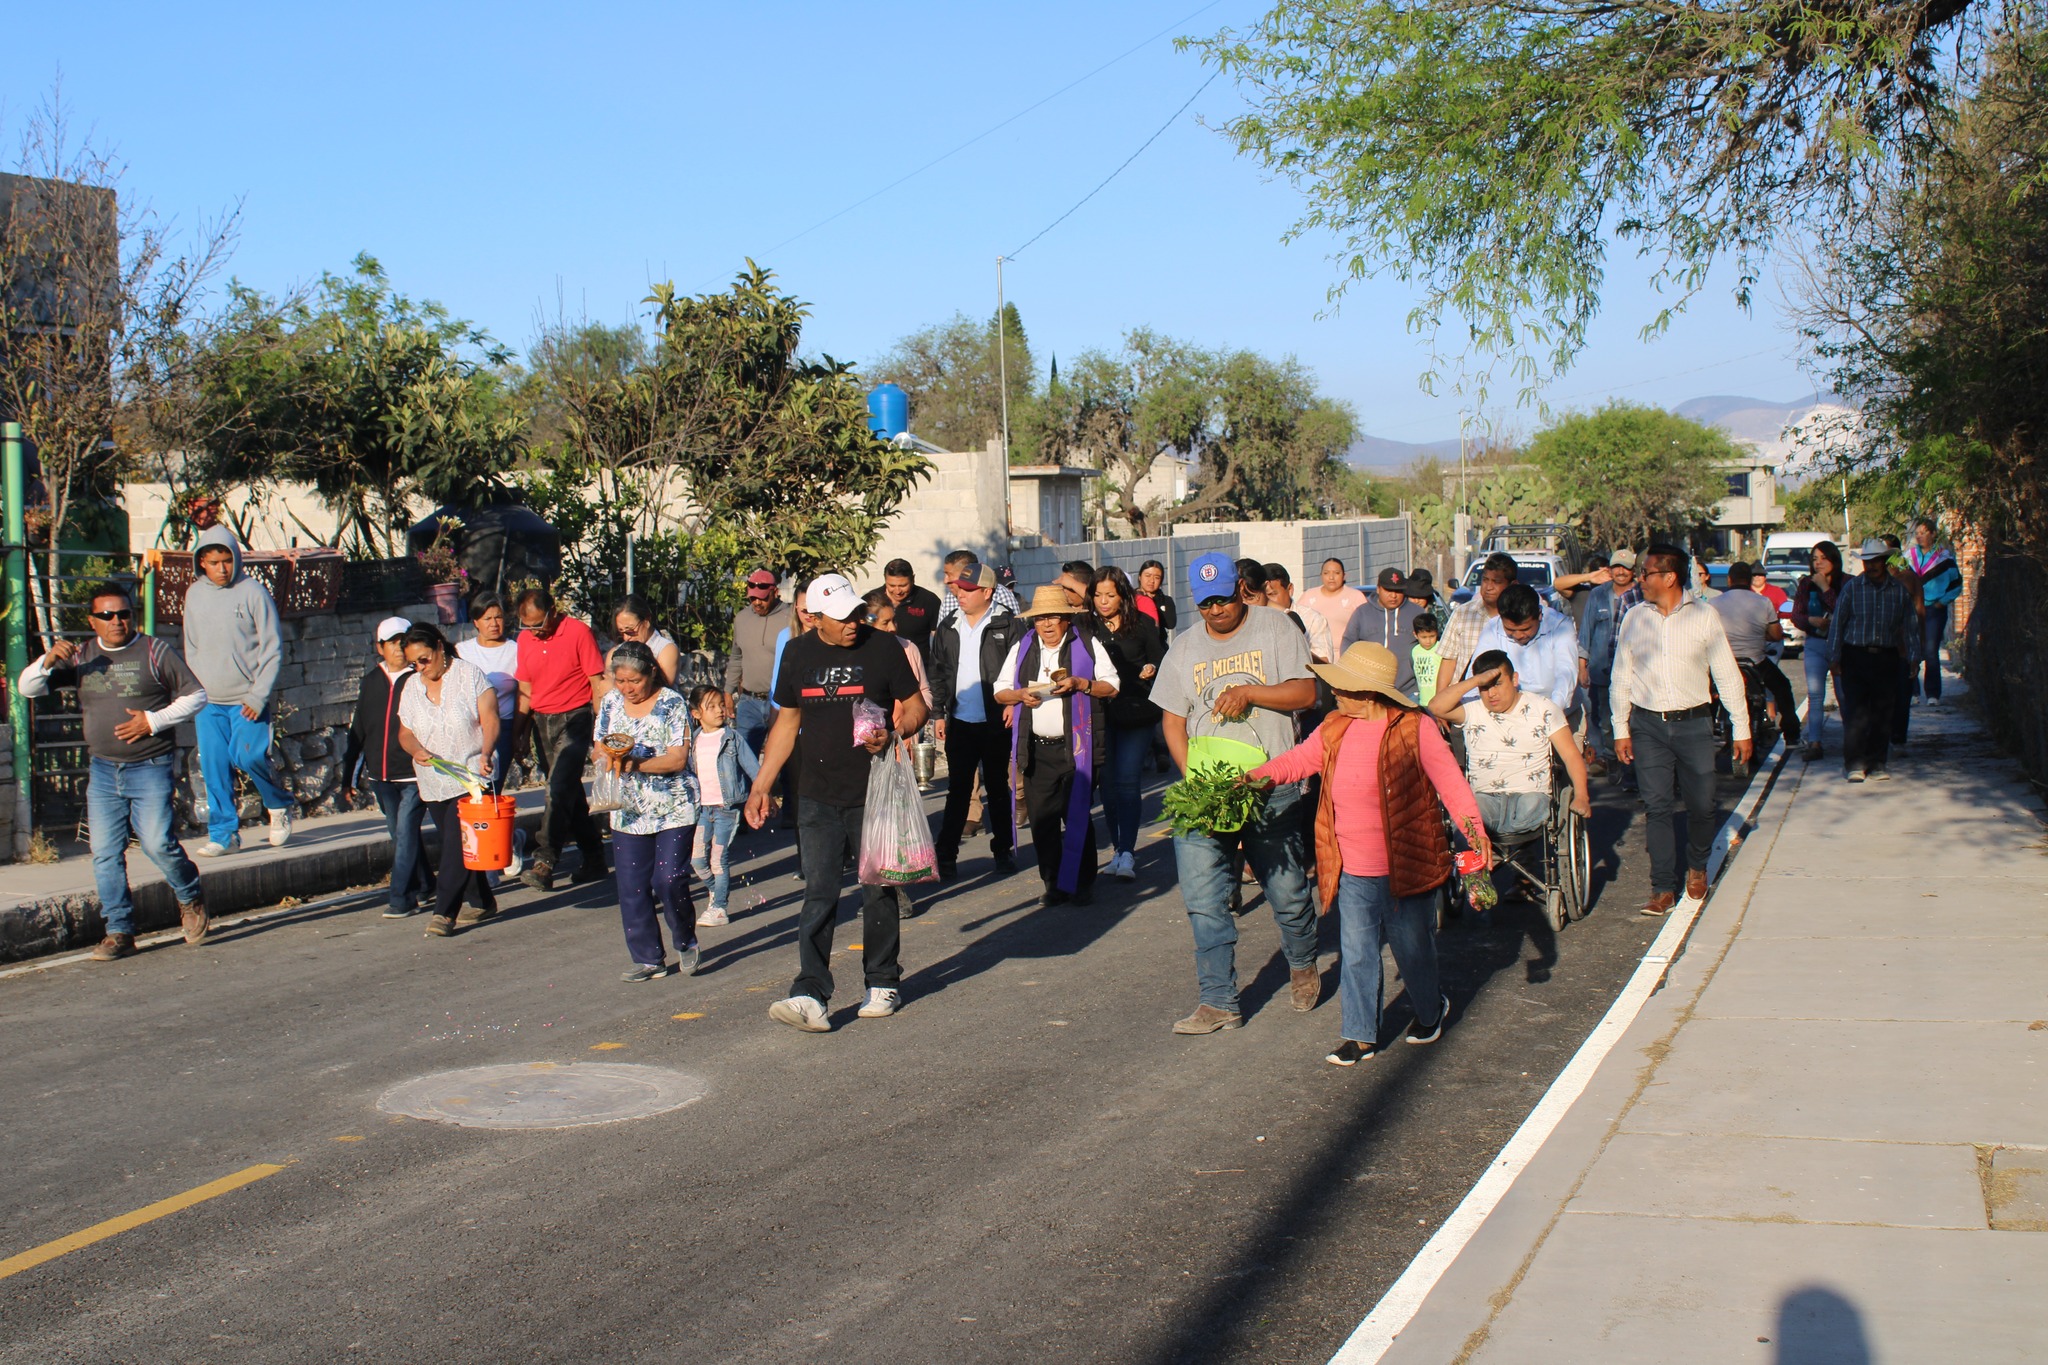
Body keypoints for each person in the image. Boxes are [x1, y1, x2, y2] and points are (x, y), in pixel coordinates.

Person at [1248, 641, 1485, 1064]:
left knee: (1413, 952)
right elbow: (1301, 759)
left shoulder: (1415, 728)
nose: (1334, 693)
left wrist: (1475, 837)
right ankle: (1360, 1035)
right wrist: (1258, 777)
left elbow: (1451, 784)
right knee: (1357, 952)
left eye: (1344, 687)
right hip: (1353, 866)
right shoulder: (1335, 725)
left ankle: (1431, 1011)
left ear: (1369, 692)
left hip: (1406, 866)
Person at [746, 573, 927, 1032]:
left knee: (878, 888)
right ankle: (810, 992)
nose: (853, 623)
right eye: (842, 617)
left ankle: (883, 980)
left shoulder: (883, 648)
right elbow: (787, 723)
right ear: (815, 617)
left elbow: (918, 704)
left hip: (875, 788)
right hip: (816, 792)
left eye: (856, 614)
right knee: (818, 894)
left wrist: (896, 732)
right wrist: (762, 784)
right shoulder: (798, 652)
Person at [1150, 552, 1320, 1035]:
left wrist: (1251, 692)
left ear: (1241, 590)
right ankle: (1219, 1000)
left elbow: (1306, 693)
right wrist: (1193, 779)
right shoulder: (1182, 649)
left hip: (1271, 786)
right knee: (1204, 897)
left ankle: (1304, 960)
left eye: (1223, 599)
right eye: (1205, 604)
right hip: (1208, 792)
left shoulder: (1276, 629)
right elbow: (1173, 719)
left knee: (1286, 893)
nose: (1216, 610)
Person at [17, 582, 208, 960]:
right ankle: (119, 931)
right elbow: (27, 688)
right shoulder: (82, 656)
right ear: (92, 620)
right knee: (104, 852)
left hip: (150, 766)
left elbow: (196, 695)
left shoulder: (154, 650)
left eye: (123, 614)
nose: (116, 621)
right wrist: (47, 660)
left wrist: (152, 721)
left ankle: (190, 896)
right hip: (104, 770)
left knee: (156, 844)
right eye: (107, 615)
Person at [1611, 545, 1751, 918]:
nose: (1639, 579)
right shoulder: (1634, 618)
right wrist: (1620, 729)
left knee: (1703, 805)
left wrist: (1742, 729)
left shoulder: (1704, 617)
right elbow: (1620, 676)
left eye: (1646, 573)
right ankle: (1662, 888)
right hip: (1647, 726)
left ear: (1669, 577)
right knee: (1657, 807)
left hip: (1694, 723)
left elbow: (1725, 673)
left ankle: (1697, 865)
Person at [995, 585, 1121, 906]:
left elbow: (1113, 686)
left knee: (1077, 814)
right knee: (1042, 821)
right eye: (1040, 619)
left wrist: (1082, 684)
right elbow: (1000, 691)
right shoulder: (1023, 647)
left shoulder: (1087, 645)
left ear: (1066, 619)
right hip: (1037, 750)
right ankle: (1053, 883)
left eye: (1052, 617)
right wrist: (1020, 695)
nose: (1046, 625)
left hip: (1077, 747)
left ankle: (1081, 884)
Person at [182, 526, 294, 855]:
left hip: (247, 700)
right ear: (201, 561)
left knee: (248, 756)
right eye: (214, 562)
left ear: (236, 559)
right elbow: (190, 646)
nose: (221, 568)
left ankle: (279, 804)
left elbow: (272, 648)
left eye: (227, 561)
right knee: (214, 765)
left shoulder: (253, 592)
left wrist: (258, 695)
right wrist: (195, 689)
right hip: (209, 701)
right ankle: (224, 834)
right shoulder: (194, 595)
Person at [594, 642, 700, 980]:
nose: (627, 689)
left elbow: (677, 758)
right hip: (628, 808)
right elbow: (599, 746)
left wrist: (635, 762)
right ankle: (648, 958)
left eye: (634, 682)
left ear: (651, 672)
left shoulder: (672, 703)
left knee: (668, 879)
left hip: (673, 805)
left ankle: (685, 939)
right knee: (632, 886)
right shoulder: (611, 702)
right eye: (620, 681)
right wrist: (609, 757)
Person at [395, 624, 500, 938]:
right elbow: (405, 732)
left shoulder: (470, 676)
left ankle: (444, 912)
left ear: (440, 648)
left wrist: (486, 751)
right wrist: (415, 750)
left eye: (425, 659)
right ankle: (482, 900)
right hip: (433, 781)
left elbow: (490, 717)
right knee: (460, 846)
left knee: (456, 845)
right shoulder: (412, 687)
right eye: (414, 663)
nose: (421, 668)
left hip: (470, 776)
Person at [928, 561, 1025, 880]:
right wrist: (938, 713)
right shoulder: (949, 625)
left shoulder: (1006, 623)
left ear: (987, 591)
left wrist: (1014, 702)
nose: (962, 595)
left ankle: (1004, 851)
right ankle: (946, 855)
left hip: (997, 720)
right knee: (957, 790)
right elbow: (939, 672)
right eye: (960, 589)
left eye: (969, 590)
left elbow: (1023, 666)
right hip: (959, 722)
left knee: (998, 787)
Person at [1429, 649, 1590, 840]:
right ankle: (1481, 864)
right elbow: (1435, 707)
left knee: (1529, 810)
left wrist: (1581, 796)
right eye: (1484, 687)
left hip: (1530, 795)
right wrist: (1474, 681)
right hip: (1485, 796)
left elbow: (1570, 755)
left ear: (1514, 679)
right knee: (1467, 820)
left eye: (1497, 684)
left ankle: (1517, 855)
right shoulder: (1472, 709)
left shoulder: (1544, 708)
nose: (1492, 694)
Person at [514, 586, 608, 891]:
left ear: (553, 612)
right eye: (527, 626)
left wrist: (601, 733)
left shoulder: (578, 632)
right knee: (567, 791)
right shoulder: (525, 639)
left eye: (539, 624)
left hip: (576, 718)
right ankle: (594, 856)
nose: (534, 632)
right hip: (542, 721)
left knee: (556, 788)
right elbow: (525, 691)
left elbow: (597, 683)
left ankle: (544, 860)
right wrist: (519, 731)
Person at [341, 617, 433, 919]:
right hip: (381, 776)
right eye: (392, 642)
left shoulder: (418, 680)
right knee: (399, 833)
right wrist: (348, 776)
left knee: (406, 831)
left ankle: (401, 897)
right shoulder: (371, 681)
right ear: (379, 646)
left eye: (403, 641)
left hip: (412, 773)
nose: (398, 648)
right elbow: (360, 729)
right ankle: (425, 883)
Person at [1088, 567, 1165, 881]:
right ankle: (1118, 849)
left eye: (1110, 595)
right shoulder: (1085, 626)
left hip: (1137, 712)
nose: (1103, 601)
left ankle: (1128, 853)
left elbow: (1161, 658)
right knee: (1106, 786)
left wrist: (1151, 666)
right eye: (1097, 595)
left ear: (1123, 595)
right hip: (1100, 714)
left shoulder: (1143, 624)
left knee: (1128, 782)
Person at [1832, 537, 1916, 783]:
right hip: (1855, 655)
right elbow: (1838, 623)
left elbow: (1910, 625)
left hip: (1886, 656)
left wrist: (1914, 657)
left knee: (1882, 712)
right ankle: (1855, 763)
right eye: (1867, 562)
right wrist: (1834, 657)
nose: (1871, 566)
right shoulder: (1852, 588)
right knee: (1856, 711)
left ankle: (1878, 762)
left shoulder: (1898, 591)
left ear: (1884, 561)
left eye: (1876, 561)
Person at [684, 685, 757, 928]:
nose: (719, 711)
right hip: (702, 810)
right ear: (696, 714)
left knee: (718, 859)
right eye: (711, 707)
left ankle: (719, 908)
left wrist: (761, 796)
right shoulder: (693, 741)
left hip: (727, 809)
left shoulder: (732, 738)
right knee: (696, 859)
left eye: (721, 705)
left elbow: (753, 769)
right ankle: (716, 892)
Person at [1710, 562, 1801, 748]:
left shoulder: (1713, 604)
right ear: (1750, 580)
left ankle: (1706, 731)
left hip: (1723, 663)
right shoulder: (1763, 602)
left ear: (1729, 579)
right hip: (1756, 663)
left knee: (1707, 695)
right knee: (1783, 688)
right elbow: (1776, 635)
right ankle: (1792, 736)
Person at [1469, 583, 1580, 717]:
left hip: (1560, 713)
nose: (1518, 636)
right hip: (1512, 716)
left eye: (1525, 629)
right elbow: (1477, 673)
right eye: (1510, 630)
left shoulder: (1560, 627)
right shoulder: (1492, 628)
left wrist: (1552, 714)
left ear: (1539, 615)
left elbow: (1566, 672)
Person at [1578, 550, 1637, 774]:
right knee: (1604, 719)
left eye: (1626, 567)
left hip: (1634, 672)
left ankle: (1631, 767)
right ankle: (1612, 761)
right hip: (1602, 669)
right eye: (1617, 567)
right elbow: (1586, 632)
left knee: (1632, 721)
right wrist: (1582, 666)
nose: (1621, 572)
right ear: (1610, 570)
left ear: (1633, 570)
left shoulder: (1641, 595)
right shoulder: (1598, 595)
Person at [457, 593, 521, 794]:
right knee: (469, 788)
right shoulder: (462, 651)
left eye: (498, 617)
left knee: (491, 786)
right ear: (476, 622)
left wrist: (521, 733)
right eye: (487, 618)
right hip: (470, 727)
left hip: (503, 726)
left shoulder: (516, 650)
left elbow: (524, 693)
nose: (494, 624)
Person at [726, 569, 792, 759]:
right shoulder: (742, 618)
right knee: (743, 757)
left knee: (782, 759)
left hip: (781, 703)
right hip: (749, 701)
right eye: (752, 598)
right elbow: (736, 656)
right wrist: (728, 691)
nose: (757, 603)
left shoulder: (790, 618)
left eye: (762, 598)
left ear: (775, 592)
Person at [1791, 541, 1846, 761]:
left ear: (1834, 559)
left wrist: (1825, 588)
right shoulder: (1805, 584)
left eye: (1823, 558)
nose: (1819, 563)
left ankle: (1852, 741)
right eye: (1815, 559)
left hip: (1841, 645)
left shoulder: (1847, 582)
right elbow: (1796, 615)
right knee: (1815, 695)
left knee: (1844, 694)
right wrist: (1810, 620)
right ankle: (1814, 742)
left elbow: (1843, 612)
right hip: (1815, 643)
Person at [1344, 568, 1431, 697]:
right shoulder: (1362, 613)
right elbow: (1348, 642)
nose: (1393, 595)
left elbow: (1431, 646)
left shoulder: (1417, 613)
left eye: (1398, 591)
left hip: (1410, 691)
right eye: (1388, 590)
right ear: (1378, 589)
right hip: (1370, 691)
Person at [1905, 517, 1962, 706]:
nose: (1920, 536)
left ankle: (1932, 694)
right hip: (1912, 609)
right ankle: (1913, 692)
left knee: (1930, 651)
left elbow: (1956, 584)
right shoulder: (1909, 556)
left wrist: (1941, 602)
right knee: (1911, 649)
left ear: (1933, 533)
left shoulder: (1943, 558)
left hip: (1933, 610)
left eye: (1923, 532)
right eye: (1917, 533)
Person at [873, 558, 945, 661]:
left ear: (913, 579)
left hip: (917, 665)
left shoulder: (929, 600)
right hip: (880, 664)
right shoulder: (872, 601)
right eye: (892, 585)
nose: (897, 591)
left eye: (903, 585)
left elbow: (939, 640)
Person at [1263, 564, 1333, 662]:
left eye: (1272, 594)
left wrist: (1295, 649)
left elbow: (1324, 662)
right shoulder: (1255, 619)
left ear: (1290, 589)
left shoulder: (1313, 619)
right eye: (1263, 595)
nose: (1267, 601)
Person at [610, 594, 680, 687]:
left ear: (646, 621)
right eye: (621, 633)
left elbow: (662, 688)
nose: (626, 638)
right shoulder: (616, 652)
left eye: (630, 631)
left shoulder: (666, 650)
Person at [937, 548, 1021, 621]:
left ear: (966, 572)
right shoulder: (949, 599)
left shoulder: (1002, 594)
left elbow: (1016, 633)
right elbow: (941, 635)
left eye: (949, 575)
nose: (945, 580)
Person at [1300, 557, 1368, 645]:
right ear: (1321, 575)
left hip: (1344, 653)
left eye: (1336, 573)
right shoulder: (1309, 596)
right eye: (1326, 573)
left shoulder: (1355, 596)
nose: (1331, 577)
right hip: (1314, 654)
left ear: (1344, 576)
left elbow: (1367, 626)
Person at [1410, 613, 1445, 703]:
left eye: (1432, 636)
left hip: (1440, 699)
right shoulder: (1415, 651)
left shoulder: (1441, 648)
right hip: (1423, 700)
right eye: (1424, 637)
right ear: (1415, 635)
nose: (1428, 641)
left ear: (1437, 633)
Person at [1135, 559, 1176, 632]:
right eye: (1148, 576)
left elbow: (1171, 624)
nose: (1152, 581)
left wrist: (1153, 602)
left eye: (1157, 577)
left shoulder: (1166, 600)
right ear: (1140, 577)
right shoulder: (1131, 598)